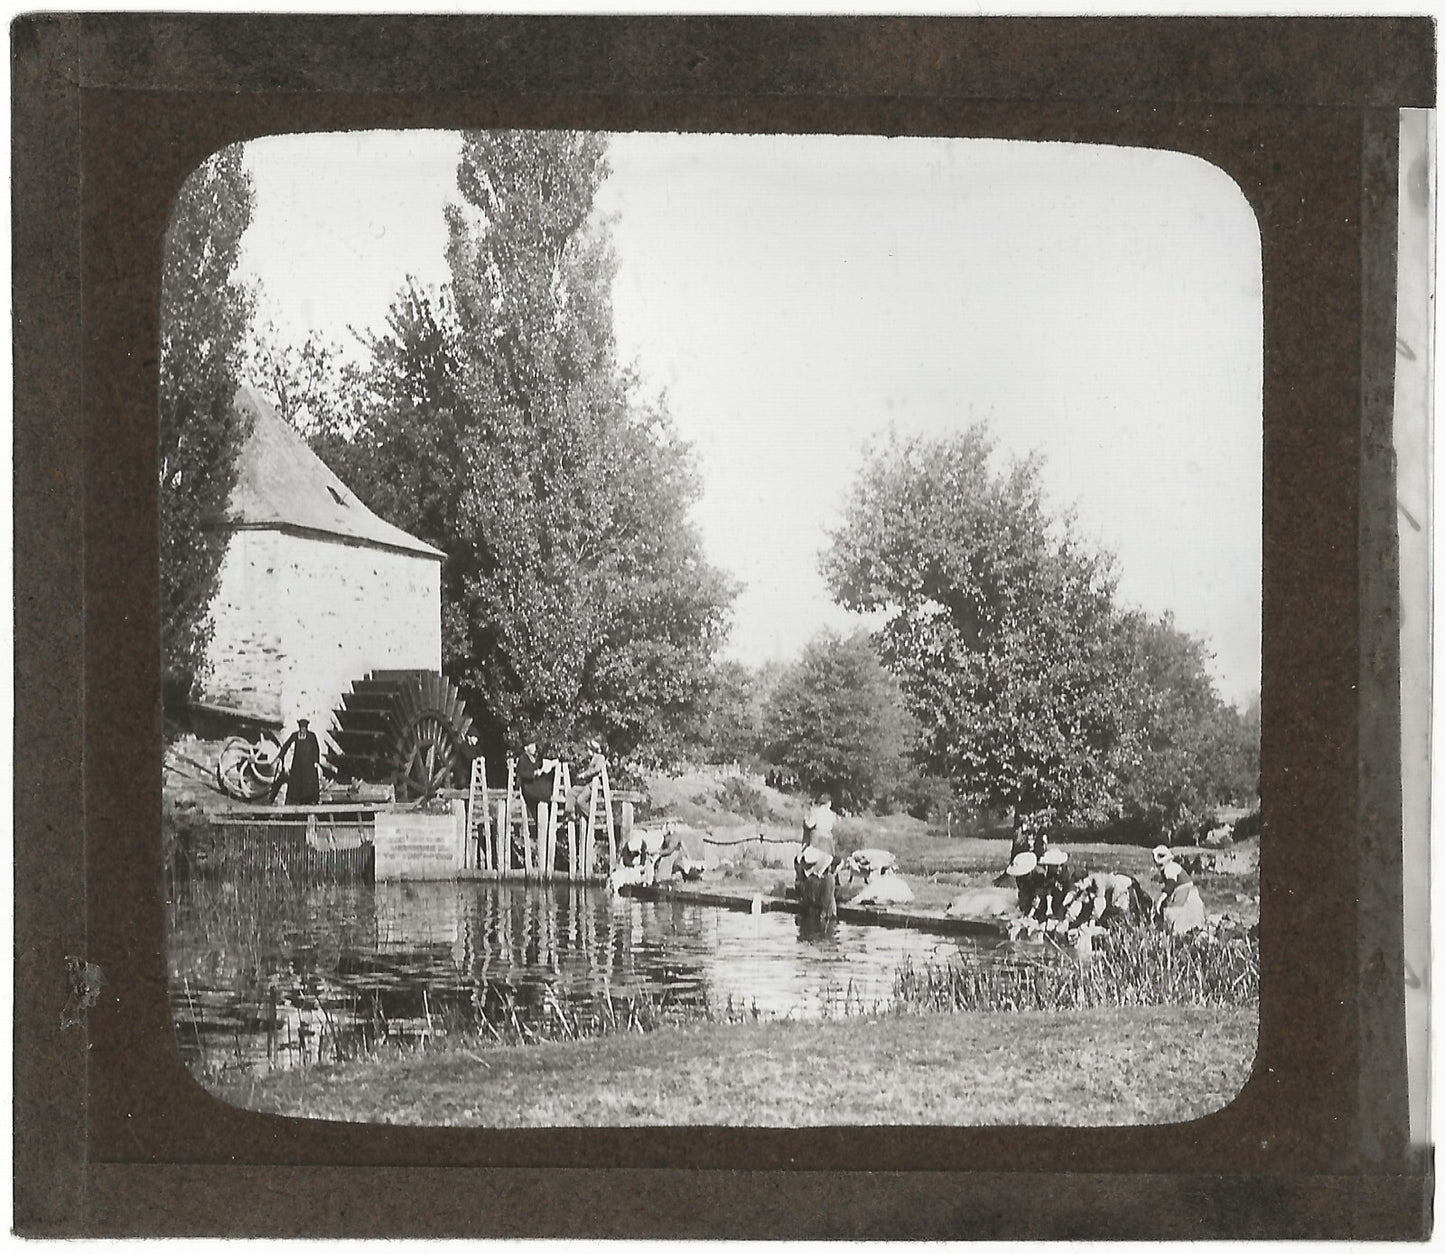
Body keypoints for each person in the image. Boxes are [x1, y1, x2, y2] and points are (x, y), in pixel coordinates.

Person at [1152, 844, 1207, 935]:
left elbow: (1170, 885)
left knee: (1175, 913)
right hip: (1184, 892)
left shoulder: (1170, 867)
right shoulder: (1170, 867)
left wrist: (1160, 900)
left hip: (1185, 893)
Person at [271, 718, 322, 806]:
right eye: (301, 728)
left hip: (309, 764)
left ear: (306, 728)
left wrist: (316, 761)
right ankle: (296, 799)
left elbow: (316, 748)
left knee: (309, 782)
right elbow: (286, 745)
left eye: (304, 728)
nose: (302, 730)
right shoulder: (295, 735)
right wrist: (280, 756)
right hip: (298, 763)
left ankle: (310, 799)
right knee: (296, 781)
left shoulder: (311, 736)